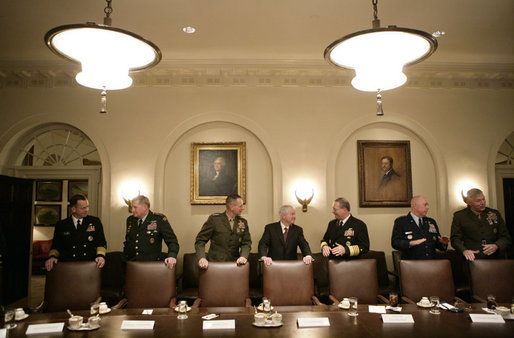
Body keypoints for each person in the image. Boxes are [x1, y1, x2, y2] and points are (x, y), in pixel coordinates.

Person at [45, 194, 106, 271]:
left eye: (87, 207)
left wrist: (100, 256)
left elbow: (101, 242)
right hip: (68, 266)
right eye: (83, 208)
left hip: (89, 265)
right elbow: (56, 246)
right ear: (73, 209)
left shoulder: (95, 222)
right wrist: (52, 257)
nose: (87, 210)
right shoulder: (61, 225)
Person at [451, 188, 511, 261]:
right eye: (478, 200)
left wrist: (497, 245)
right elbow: (455, 239)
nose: (482, 203)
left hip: (494, 258)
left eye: (483, 199)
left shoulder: (494, 214)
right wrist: (464, 250)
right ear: (469, 202)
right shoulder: (460, 216)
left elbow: (505, 237)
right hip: (472, 258)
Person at [195, 193, 251, 269]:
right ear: (232, 207)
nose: (243, 208)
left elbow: (246, 243)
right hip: (215, 264)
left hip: (235, 264)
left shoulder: (242, 222)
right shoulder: (215, 220)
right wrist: (202, 258)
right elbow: (200, 241)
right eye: (240, 206)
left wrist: (243, 256)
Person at [123, 195, 179, 269]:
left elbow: (172, 241)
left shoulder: (159, 219)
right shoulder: (130, 220)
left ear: (145, 207)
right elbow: (128, 241)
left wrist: (172, 255)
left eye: (135, 207)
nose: (132, 210)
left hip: (151, 265)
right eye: (132, 207)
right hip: (131, 264)